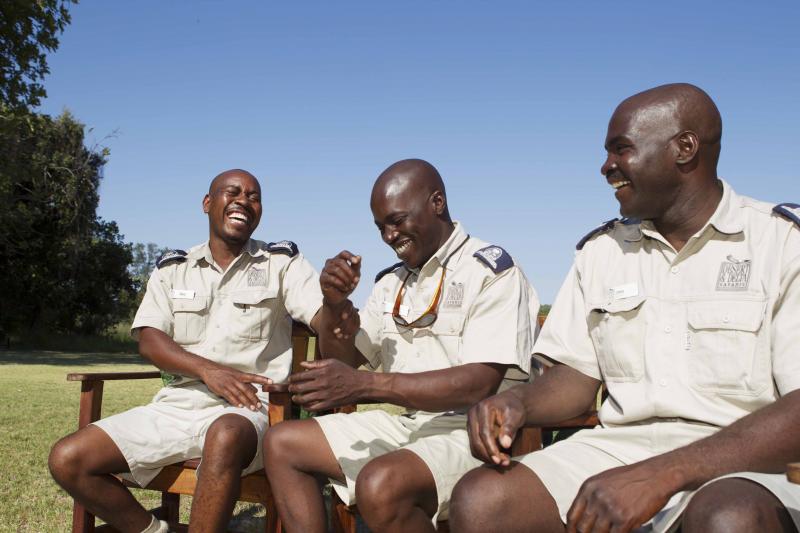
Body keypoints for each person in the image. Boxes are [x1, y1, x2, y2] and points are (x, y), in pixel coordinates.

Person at [449, 83, 800, 533]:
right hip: (620, 447)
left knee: (728, 517)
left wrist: (664, 473)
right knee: (484, 499)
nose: (606, 166)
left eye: (622, 149)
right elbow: (576, 377)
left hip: (746, 458)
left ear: (685, 149)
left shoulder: (781, 243)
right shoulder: (602, 252)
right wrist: (517, 401)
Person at [49, 169, 345, 533]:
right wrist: (208, 371)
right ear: (208, 204)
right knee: (68, 459)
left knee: (223, 434)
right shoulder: (174, 269)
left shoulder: (281, 264)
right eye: (232, 192)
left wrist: (334, 304)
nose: (243, 201)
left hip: (251, 411)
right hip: (177, 405)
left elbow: (324, 325)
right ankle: (158, 531)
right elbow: (149, 338)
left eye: (254, 196)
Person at [262, 158, 539, 532]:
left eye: (397, 221)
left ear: (437, 203)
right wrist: (334, 304)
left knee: (381, 484)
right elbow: (344, 358)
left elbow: (479, 383)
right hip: (410, 426)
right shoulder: (391, 283)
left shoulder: (492, 272)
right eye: (381, 227)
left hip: (478, 430)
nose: (389, 237)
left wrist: (365, 386)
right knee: (282, 443)